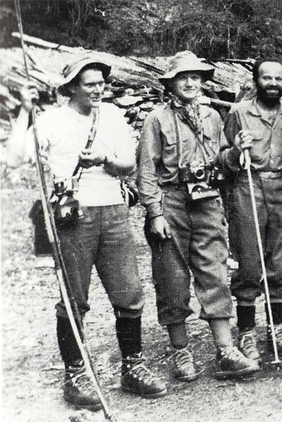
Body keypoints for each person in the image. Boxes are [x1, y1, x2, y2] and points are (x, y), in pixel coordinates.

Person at [6, 56, 166, 410]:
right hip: (73, 215)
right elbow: (15, 159)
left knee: (129, 291)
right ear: (71, 87)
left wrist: (105, 159)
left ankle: (133, 366)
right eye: (89, 83)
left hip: (113, 210)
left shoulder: (111, 116)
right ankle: (75, 375)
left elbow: (129, 163)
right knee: (74, 296)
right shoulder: (51, 120)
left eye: (101, 83)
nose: (98, 89)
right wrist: (23, 111)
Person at [138, 51, 259, 381]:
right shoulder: (156, 119)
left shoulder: (212, 117)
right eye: (183, 77)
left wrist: (235, 151)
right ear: (172, 83)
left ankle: (225, 351)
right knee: (172, 278)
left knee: (215, 272)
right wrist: (154, 212)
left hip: (206, 199)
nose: (190, 82)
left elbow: (222, 159)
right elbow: (147, 170)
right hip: (171, 201)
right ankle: (180, 351)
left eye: (196, 77)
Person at [218, 58, 282, 362]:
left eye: (278, 78)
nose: (273, 83)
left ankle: (277, 325)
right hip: (248, 187)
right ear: (256, 80)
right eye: (267, 78)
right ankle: (248, 330)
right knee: (249, 262)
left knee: (279, 262)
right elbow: (221, 158)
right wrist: (237, 149)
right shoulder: (238, 113)